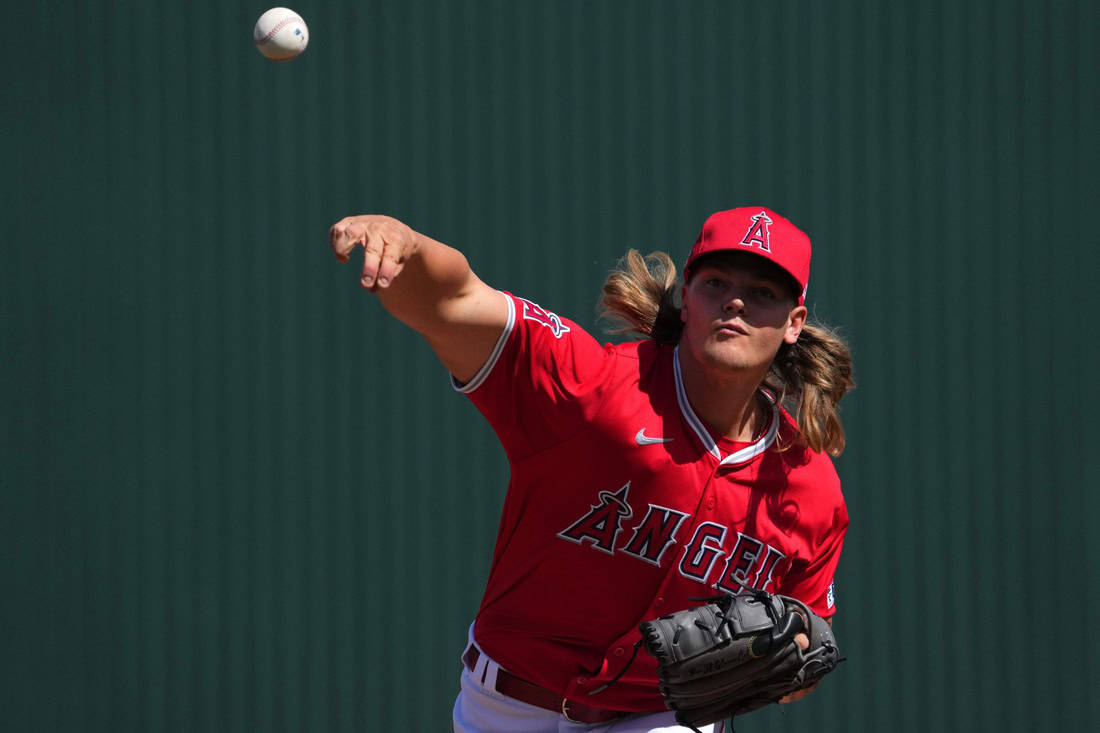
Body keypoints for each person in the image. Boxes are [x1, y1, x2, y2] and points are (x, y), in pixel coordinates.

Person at [329, 207, 854, 733]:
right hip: (505, 704)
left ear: (794, 323)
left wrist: (798, 648)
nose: (736, 301)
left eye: (764, 292)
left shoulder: (808, 487)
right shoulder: (593, 388)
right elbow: (459, 299)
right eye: (716, 282)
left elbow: (804, 655)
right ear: (687, 297)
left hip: (656, 717)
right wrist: (411, 247)